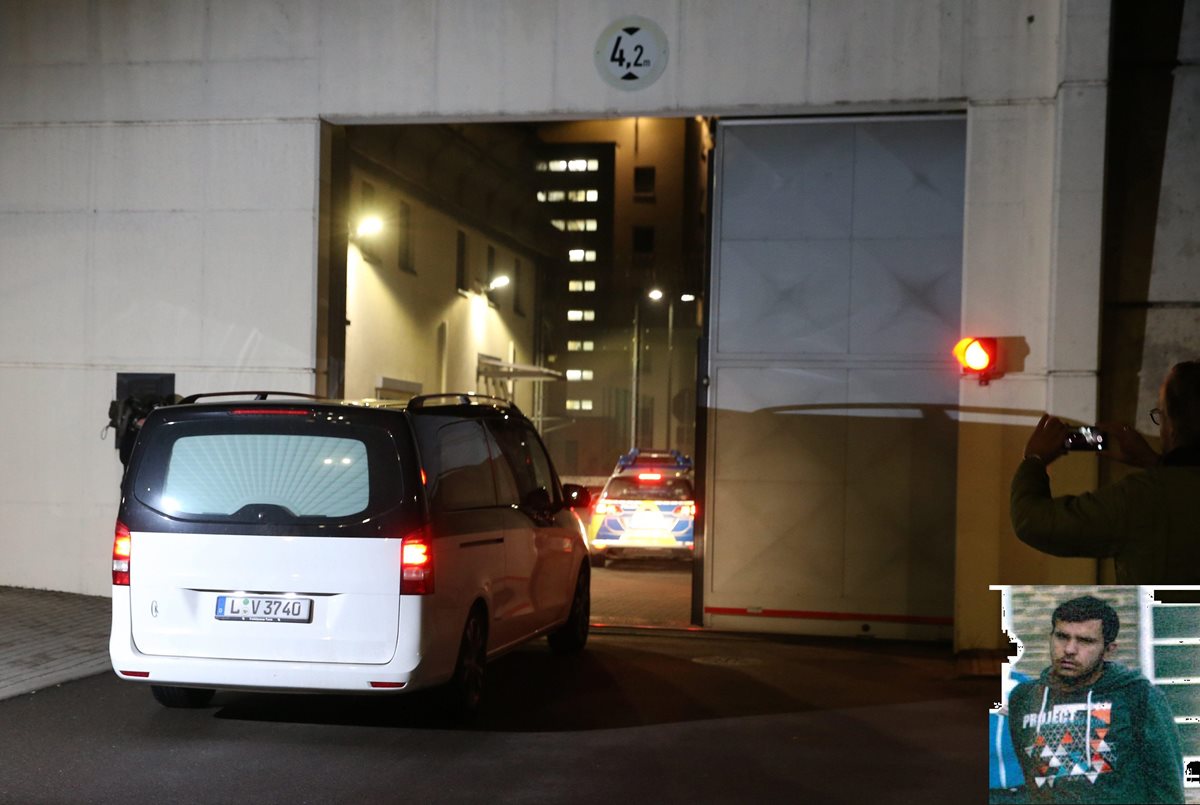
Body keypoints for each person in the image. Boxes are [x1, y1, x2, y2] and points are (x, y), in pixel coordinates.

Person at [1010, 360, 1200, 582]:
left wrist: (1034, 459)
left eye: (1160, 415)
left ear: (1171, 426)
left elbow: (1032, 521)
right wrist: (1155, 462)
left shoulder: (1142, 498)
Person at [1007, 595, 1184, 803]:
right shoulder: (1024, 697)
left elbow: (1167, 784)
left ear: (1108, 650)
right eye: (1062, 636)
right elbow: (1031, 779)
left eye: (1085, 641)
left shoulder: (1137, 695)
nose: (1069, 650)